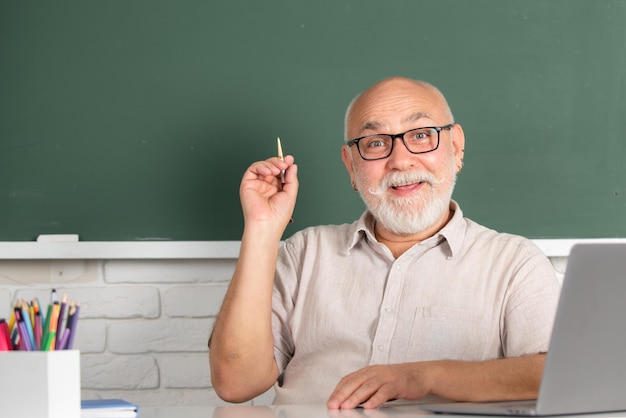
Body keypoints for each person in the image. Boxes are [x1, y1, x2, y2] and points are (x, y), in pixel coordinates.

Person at [208, 77, 561, 409]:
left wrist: (422, 377)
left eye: (422, 135)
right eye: (376, 143)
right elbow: (236, 383)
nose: (400, 160)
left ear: (456, 147)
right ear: (351, 166)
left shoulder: (515, 262)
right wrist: (262, 228)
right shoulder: (303, 255)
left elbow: (555, 373)